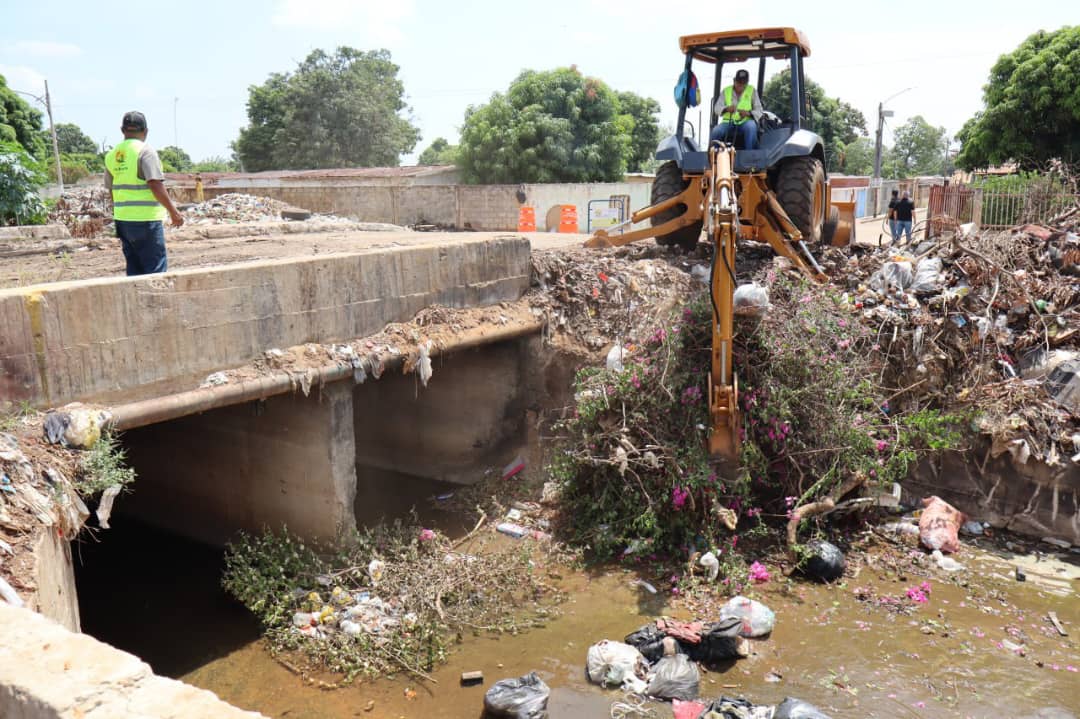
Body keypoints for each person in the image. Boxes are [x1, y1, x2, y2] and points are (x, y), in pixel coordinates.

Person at [103, 111, 183, 275]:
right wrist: (173, 212)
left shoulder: (111, 155)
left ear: (122, 130)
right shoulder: (146, 152)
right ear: (145, 131)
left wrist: (118, 213)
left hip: (123, 220)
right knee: (155, 272)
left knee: (134, 270)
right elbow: (155, 184)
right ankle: (156, 302)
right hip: (146, 220)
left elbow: (111, 190)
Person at [709, 69, 763, 150]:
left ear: (747, 83)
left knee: (751, 127)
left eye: (743, 83)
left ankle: (749, 156)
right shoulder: (726, 91)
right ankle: (713, 157)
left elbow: (759, 110)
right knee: (716, 131)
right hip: (728, 123)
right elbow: (716, 108)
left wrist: (748, 113)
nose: (740, 85)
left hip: (745, 122)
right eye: (738, 82)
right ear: (734, 80)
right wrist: (726, 109)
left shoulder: (752, 91)